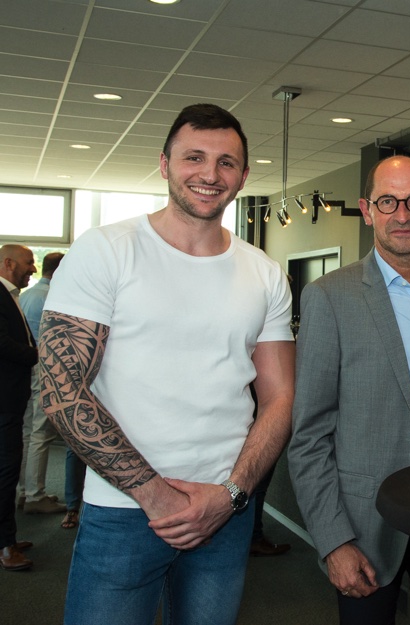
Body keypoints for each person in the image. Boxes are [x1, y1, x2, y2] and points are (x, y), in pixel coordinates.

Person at [39, 103, 295, 623]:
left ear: (244, 176)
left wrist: (232, 494)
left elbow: (280, 396)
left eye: (226, 162)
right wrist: (154, 495)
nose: (210, 174)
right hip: (124, 509)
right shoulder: (105, 250)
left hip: (223, 511)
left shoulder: (265, 273)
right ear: (164, 164)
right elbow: (62, 389)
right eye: (194, 157)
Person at [289, 155, 410, 624]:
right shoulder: (330, 297)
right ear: (367, 209)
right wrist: (334, 541)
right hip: (368, 522)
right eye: (388, 202)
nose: (402, 214)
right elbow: (309, 436)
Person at [18, 252, 67, 515]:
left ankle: (25, 491)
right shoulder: (51, 297)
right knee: (40, 432)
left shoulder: (25, 295)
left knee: (28, 432)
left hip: (27, 369)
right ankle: (35, 495)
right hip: (44, 368)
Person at [0, 244, 37, 572]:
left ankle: (7, 537)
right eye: (29, 263)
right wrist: (39, 355)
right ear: (9, 263)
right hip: (4, 403)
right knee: (6, 472)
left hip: (11, 400)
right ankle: (5, 546)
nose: (33, 269)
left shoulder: (11, 295)